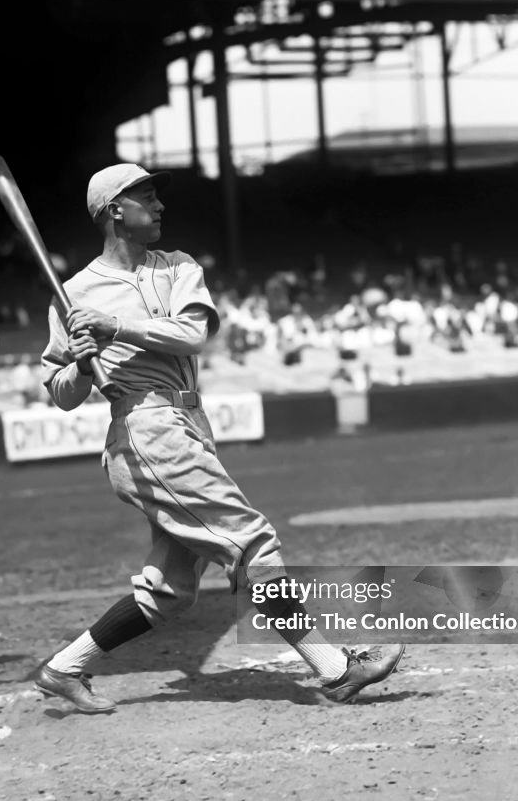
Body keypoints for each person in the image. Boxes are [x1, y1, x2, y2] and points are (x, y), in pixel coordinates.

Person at [37, 163, 404, 714]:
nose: (159, 206)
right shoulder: (74, 294)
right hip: (145, 428)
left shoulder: (179, 266)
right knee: (251, 542)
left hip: (188, 423)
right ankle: (334, 668)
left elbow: (192, 335)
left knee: (170, 588)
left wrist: (114, 329)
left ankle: (64, 667)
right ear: (115, 210)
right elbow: (60, 392)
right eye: (147, 197)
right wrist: (83, 366)